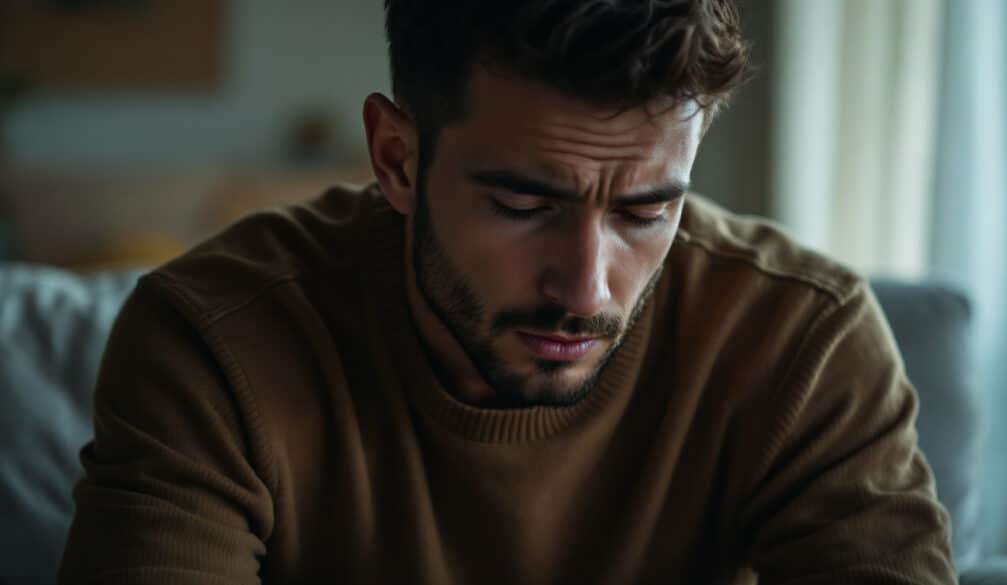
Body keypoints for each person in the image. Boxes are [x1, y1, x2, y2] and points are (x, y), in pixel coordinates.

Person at [59, 1, 957, 583]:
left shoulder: (804, 341)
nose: (588, 285)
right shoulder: (211, 344)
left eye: (647, 211)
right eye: (526, 204)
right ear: (397, 158)